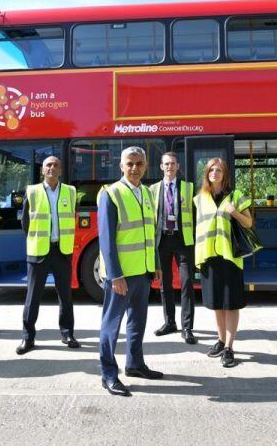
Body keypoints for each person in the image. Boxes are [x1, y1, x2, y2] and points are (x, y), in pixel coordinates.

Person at [98, 146, 163, 396]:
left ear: (145, 166)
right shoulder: (111, 194)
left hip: (143, 272)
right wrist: (115, 275)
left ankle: (135, 364)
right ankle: (108, 375)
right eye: (130, 164)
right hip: (121, 276)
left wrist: (155, 263)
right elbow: (106, 240)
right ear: (121, 166)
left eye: (139, 163)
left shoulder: (147, 193)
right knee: (111, 325)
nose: (134, 168)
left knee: (137, 322)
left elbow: (151, 232)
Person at [16, 156, 80, 355]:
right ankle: (28, 337)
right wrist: (35, 240)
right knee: (32, 297)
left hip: (62, 251)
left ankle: (67, 333)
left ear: (60, 170)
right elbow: (25, 221)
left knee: (65, 296)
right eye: (48, 165)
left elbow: (72, 215)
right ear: (42, 170)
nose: (52, 168)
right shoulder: (32, 191)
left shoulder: (70, 191)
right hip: (39, 251)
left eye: (56, 165)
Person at [194, 158, 253, 368]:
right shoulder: (199, 198)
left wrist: (234, 212)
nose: (215, 173)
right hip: (209, 257)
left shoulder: (236, 196)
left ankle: (229, 347)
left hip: (230, 257)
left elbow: (249, 222)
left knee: (231, 304)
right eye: (211, 170)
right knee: (216, 303)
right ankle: (220, 340)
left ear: (225, 174)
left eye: (219, 170)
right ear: (207, 173)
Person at [149, 152, 197, 344]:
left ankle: (187, 328)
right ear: (161, 167)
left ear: (178, 166)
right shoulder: (152, 189)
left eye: (173, 164)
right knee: (164, 284)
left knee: (186, 284)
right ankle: (169, 322)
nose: (169, 167)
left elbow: (197, 214)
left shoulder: (189, 187)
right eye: (166, 164)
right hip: (162, 240)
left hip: (183, 240)